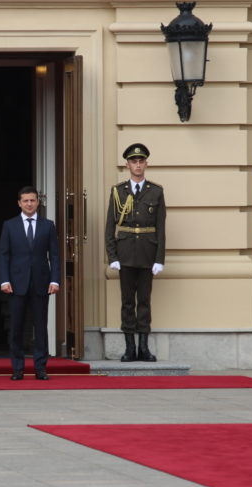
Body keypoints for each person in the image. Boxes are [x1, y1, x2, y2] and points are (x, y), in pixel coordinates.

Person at [105, 143, 166, 362]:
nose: (137, 165)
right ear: (127, 165)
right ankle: (129, 348)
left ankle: (144, 348)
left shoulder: (156, 191)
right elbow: (109, 226)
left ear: (146, 164)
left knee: (145, 302)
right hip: (125, 254)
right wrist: (112, 257)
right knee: (127, 302)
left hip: (148, 255)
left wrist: (159, 259)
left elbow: (161, 227)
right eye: (133, 161)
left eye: (141, 161)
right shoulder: (118, 191)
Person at [0, 186, 60, 380]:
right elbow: (3, 255)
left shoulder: (48, 225)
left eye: (32, 200)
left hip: (41, 282)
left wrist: (55, 280)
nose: (29, 204)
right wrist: (4, 280)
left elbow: (55, 256)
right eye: (25, 201)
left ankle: (40, 368)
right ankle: (17, 368)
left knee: (41, 327)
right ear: (19, 203)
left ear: (38, 202)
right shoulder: (10, 225)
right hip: (16, 283)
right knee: (16, 327)